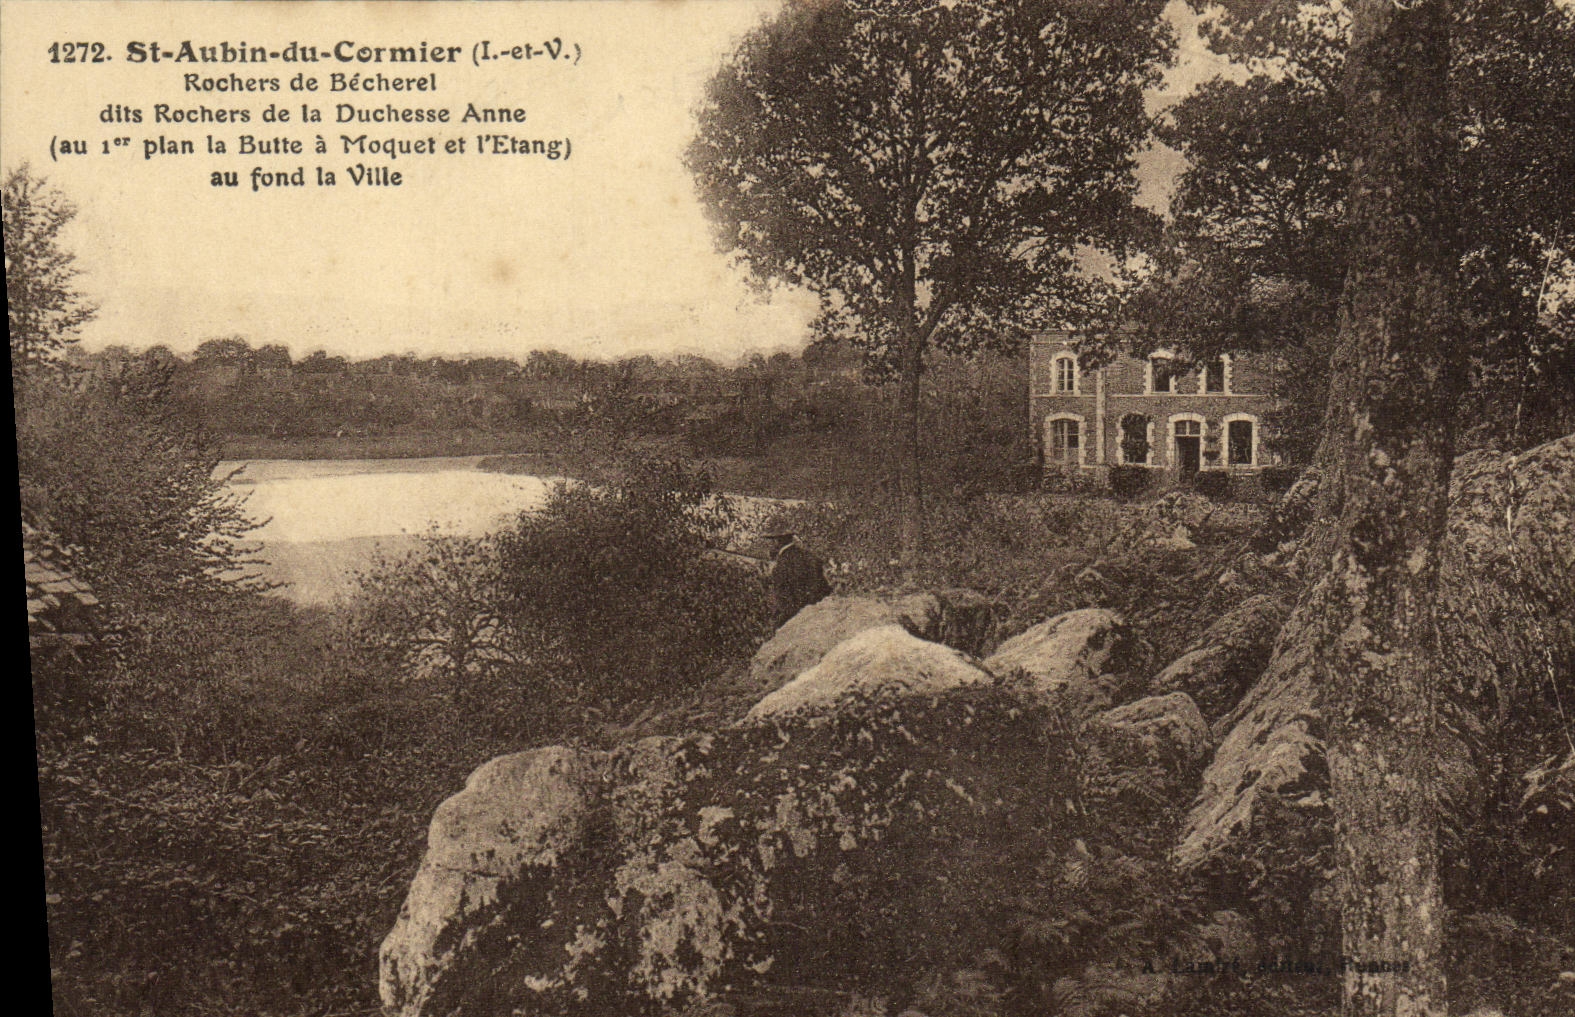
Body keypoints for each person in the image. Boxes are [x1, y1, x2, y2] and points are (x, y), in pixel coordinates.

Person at [765, 531, 831, 628]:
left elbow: (783, 595)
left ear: (776, 542)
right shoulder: (807, 554)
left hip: (797, 615)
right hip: (819, 611)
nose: (769, 546)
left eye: (770, 542)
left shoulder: (783, 562)